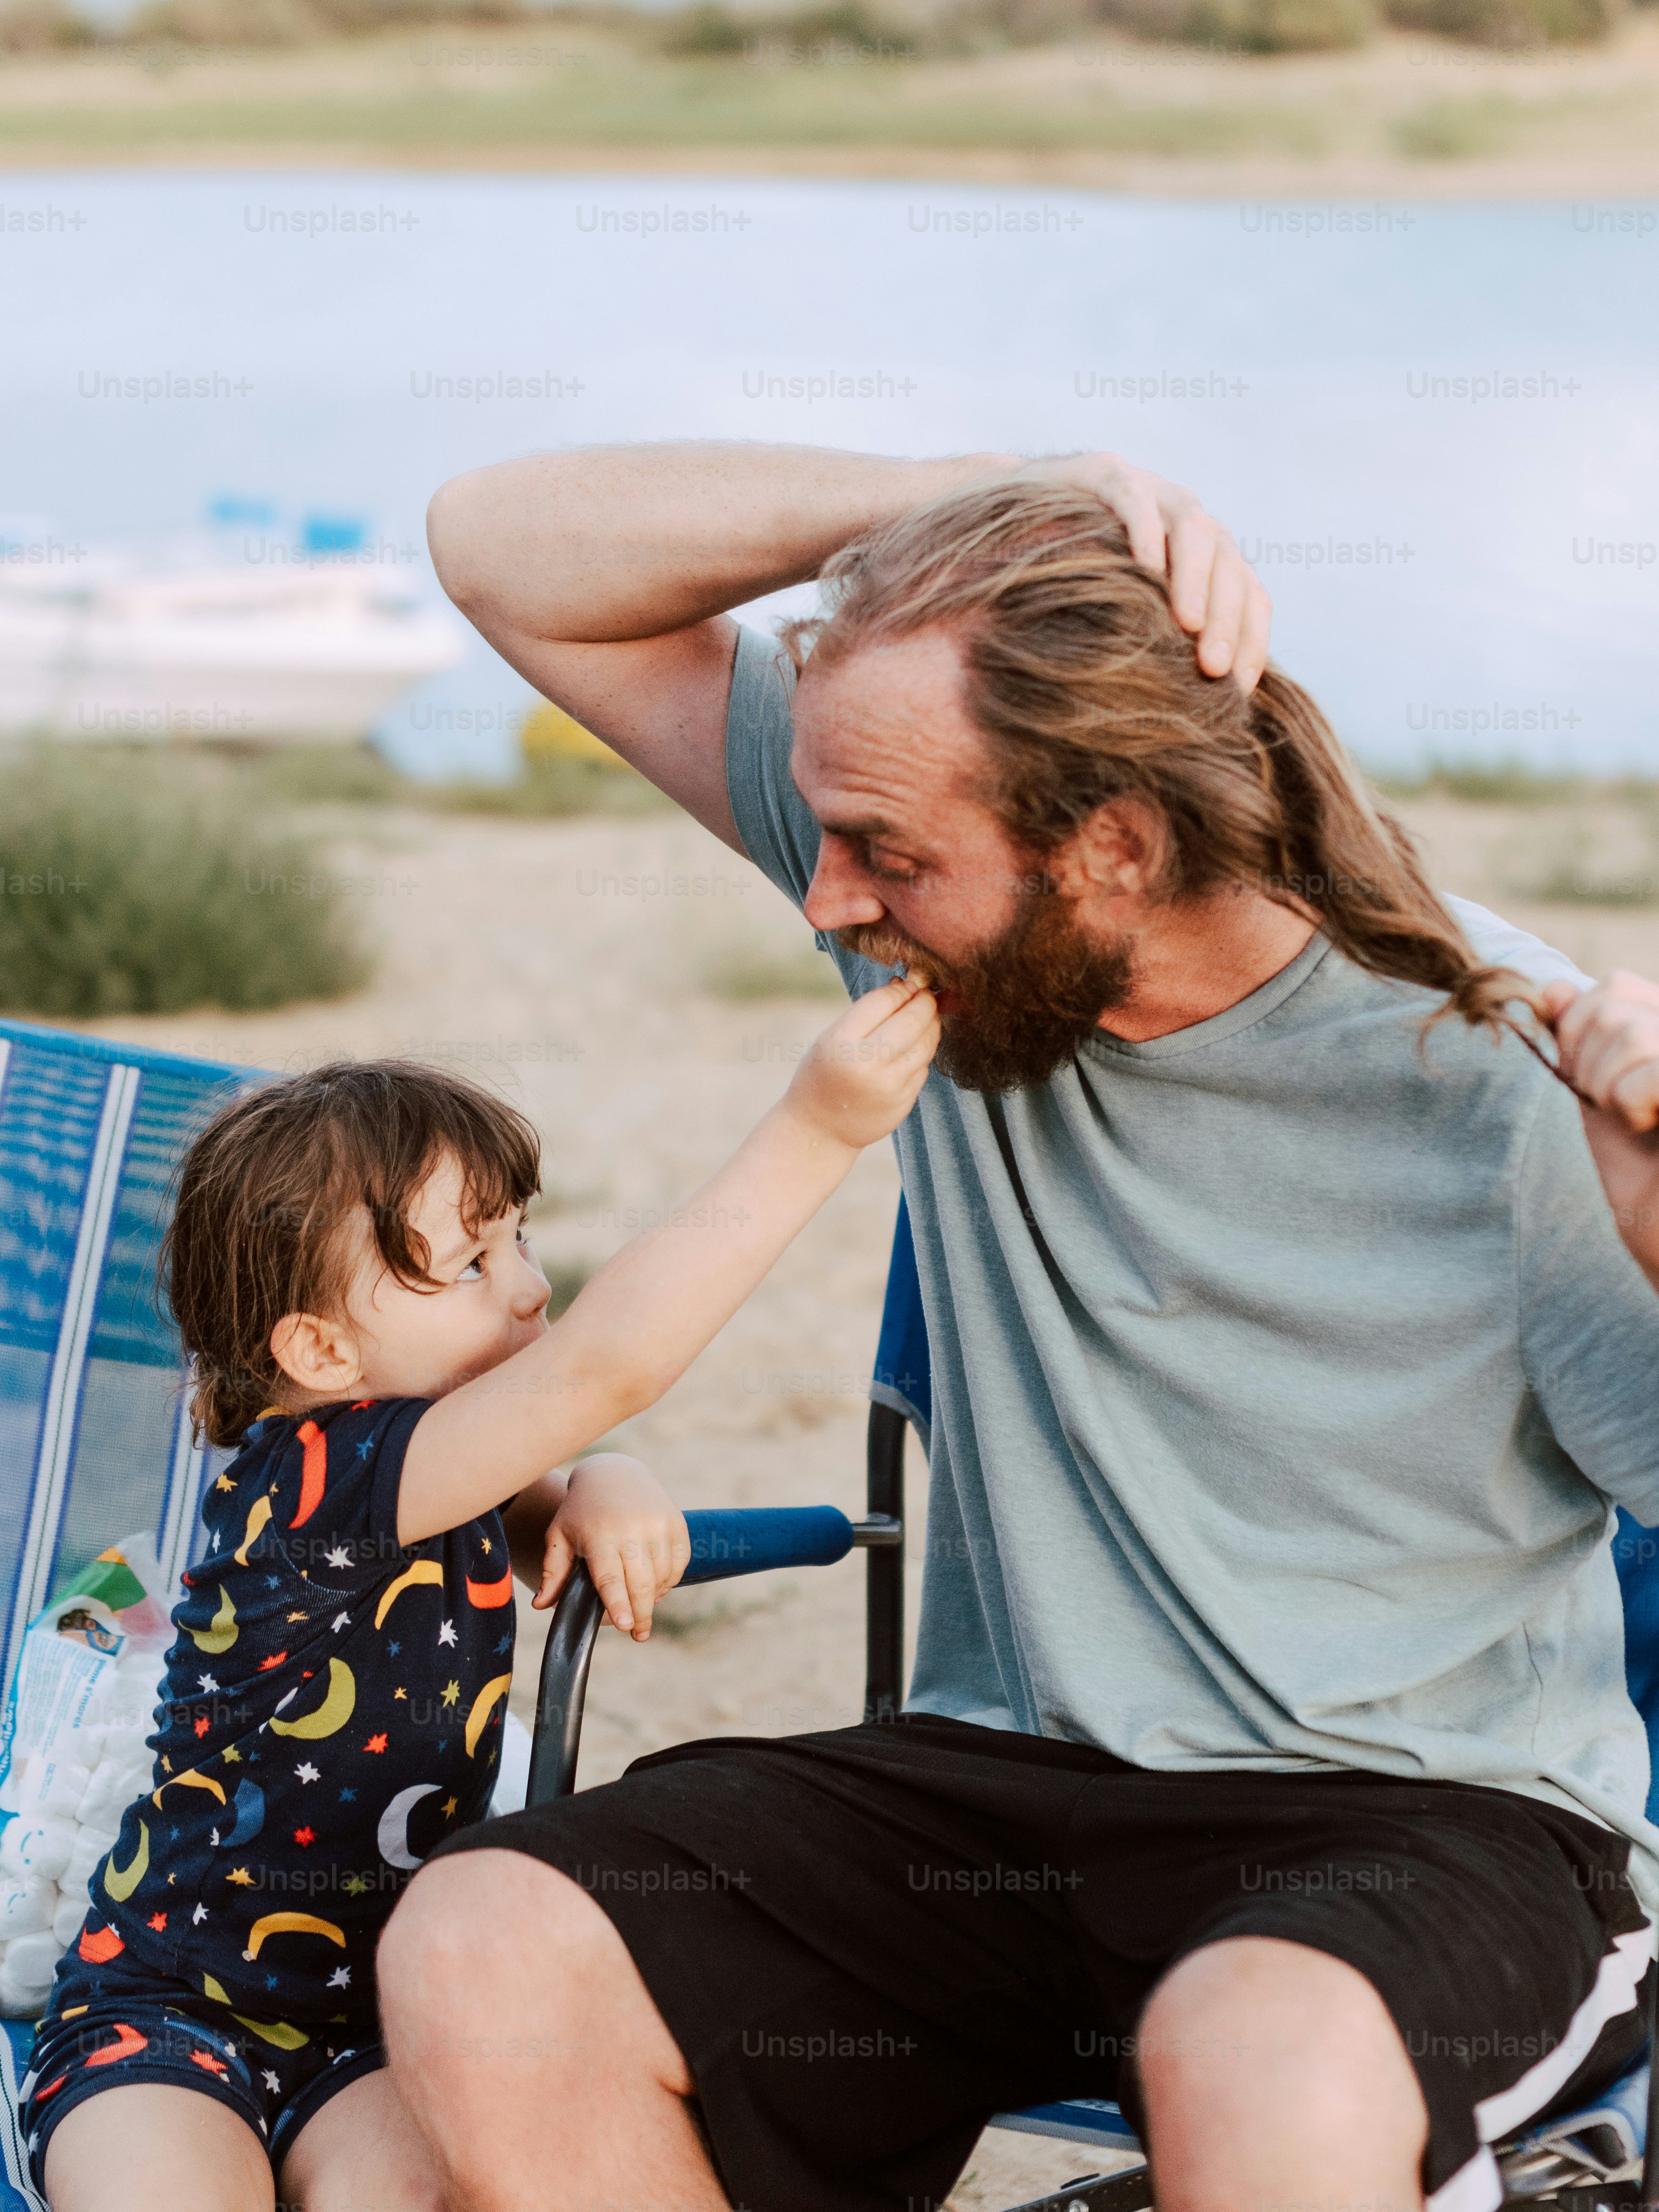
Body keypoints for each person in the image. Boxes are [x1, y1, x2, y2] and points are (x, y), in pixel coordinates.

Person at [377, 442, 1659, 2212]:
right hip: (998, 1791)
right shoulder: (927, 923)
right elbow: (496, 547)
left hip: (1413, 1822)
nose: (823, 895)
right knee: (490, 1939)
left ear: (1112, 847)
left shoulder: (1502, 1070)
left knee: (1247, 2049)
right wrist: (995, 490)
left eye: (883, 852)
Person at [22, 987, 939, 2212]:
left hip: (376, 2029)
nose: (524, 1287)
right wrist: (818, 1127)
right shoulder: (322, 1478)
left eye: (515, 1237)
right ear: (322, 1356)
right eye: (468, 1264)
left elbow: (553, 1463)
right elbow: (605, 1367)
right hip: (170, 2012)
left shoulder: (433, 1460)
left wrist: (602, 1479)